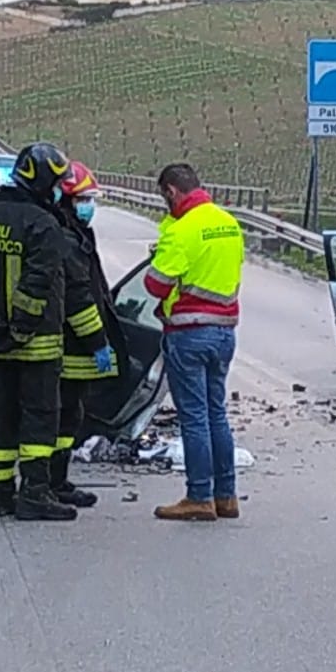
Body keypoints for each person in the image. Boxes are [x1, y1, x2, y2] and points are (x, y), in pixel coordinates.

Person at [0, 142, 77, 521]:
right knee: (40, 418)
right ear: (41, 180)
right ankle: (35, 492)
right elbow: (37, 283)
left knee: (1, 417)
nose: (58, 190)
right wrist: (18, 328)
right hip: (36, 346)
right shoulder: (44, 225)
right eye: (55, 181)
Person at [142, 163, 246, 522]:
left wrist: (160, 255)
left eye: (164, 197)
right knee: (217, 413)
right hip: (224, 333)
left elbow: (155, 285)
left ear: (171, 191)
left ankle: (199, 496)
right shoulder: (228, 223)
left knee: (195, 417)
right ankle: (226, 496)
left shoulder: (181, 231)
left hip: (188, 333)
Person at [50, 161, 123, 509]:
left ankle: (57, 481)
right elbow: (78, 298)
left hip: (74, 346)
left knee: (70, 416)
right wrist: (98, 342)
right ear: (66, 200)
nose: (89, 206)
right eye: (85, 199)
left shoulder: (76, 235)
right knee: (60, 416)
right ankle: (50, 483)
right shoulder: (64, 239)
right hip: (68, 344)